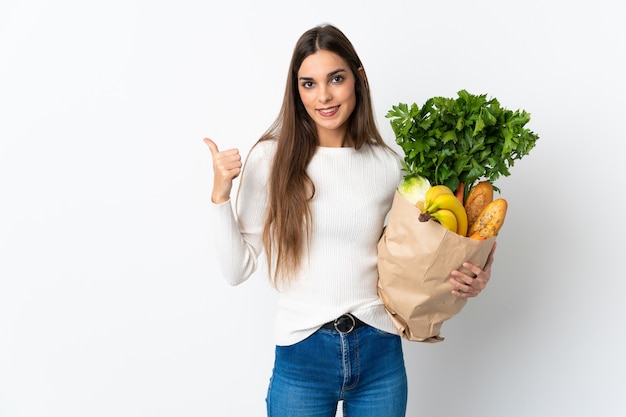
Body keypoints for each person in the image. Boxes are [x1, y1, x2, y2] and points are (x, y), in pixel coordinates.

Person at [204, 24, 495, 417]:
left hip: (379, 352)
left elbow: (419, 256)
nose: (322, 96)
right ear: (296, 91)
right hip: (302, 354)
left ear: (358, 78)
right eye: (308, 84)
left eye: (335, 79)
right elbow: (236, 269)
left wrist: (472, 275)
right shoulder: (270, 160)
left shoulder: (390, 166)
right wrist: (221, 194)